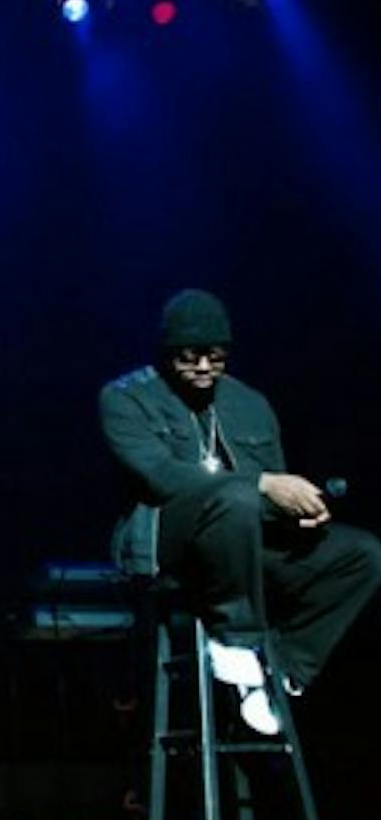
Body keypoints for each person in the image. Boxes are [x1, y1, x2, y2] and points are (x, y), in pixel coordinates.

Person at [100, 288, 380, 733]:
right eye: (191, 356)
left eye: (216, 355)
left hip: (245, 544)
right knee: (235, 497)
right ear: (168, 351)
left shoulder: (250, 403)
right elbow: (162, 478)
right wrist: (262, 485)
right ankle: (236, 641)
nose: (205, 367)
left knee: (361, 553)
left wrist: (299, 512)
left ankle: (283, 672)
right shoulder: (125, 398)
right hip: (169, 545)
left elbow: (270, 493)